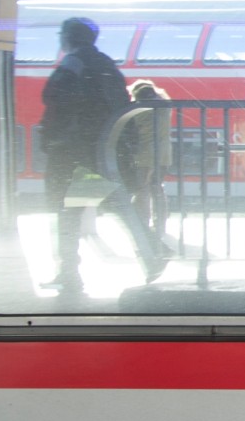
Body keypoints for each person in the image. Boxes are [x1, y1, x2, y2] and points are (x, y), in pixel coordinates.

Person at [38, 18, 165, 296]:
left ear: (68, 37)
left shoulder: (73, 62)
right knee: (114, 205)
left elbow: (53, 96)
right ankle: (152, 250)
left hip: (75, 155)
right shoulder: (106, 64)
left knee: (69, 214)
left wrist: (53, 139)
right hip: (101, 152)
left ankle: (70, 273)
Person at [122, 80, 171, 244]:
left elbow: (130, 131)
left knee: (141, 190)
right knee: (157, 188)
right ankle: (160, 226)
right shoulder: (165, 107)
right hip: (164, 155)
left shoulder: (137, 109)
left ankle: (142, 224)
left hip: (144, 154)